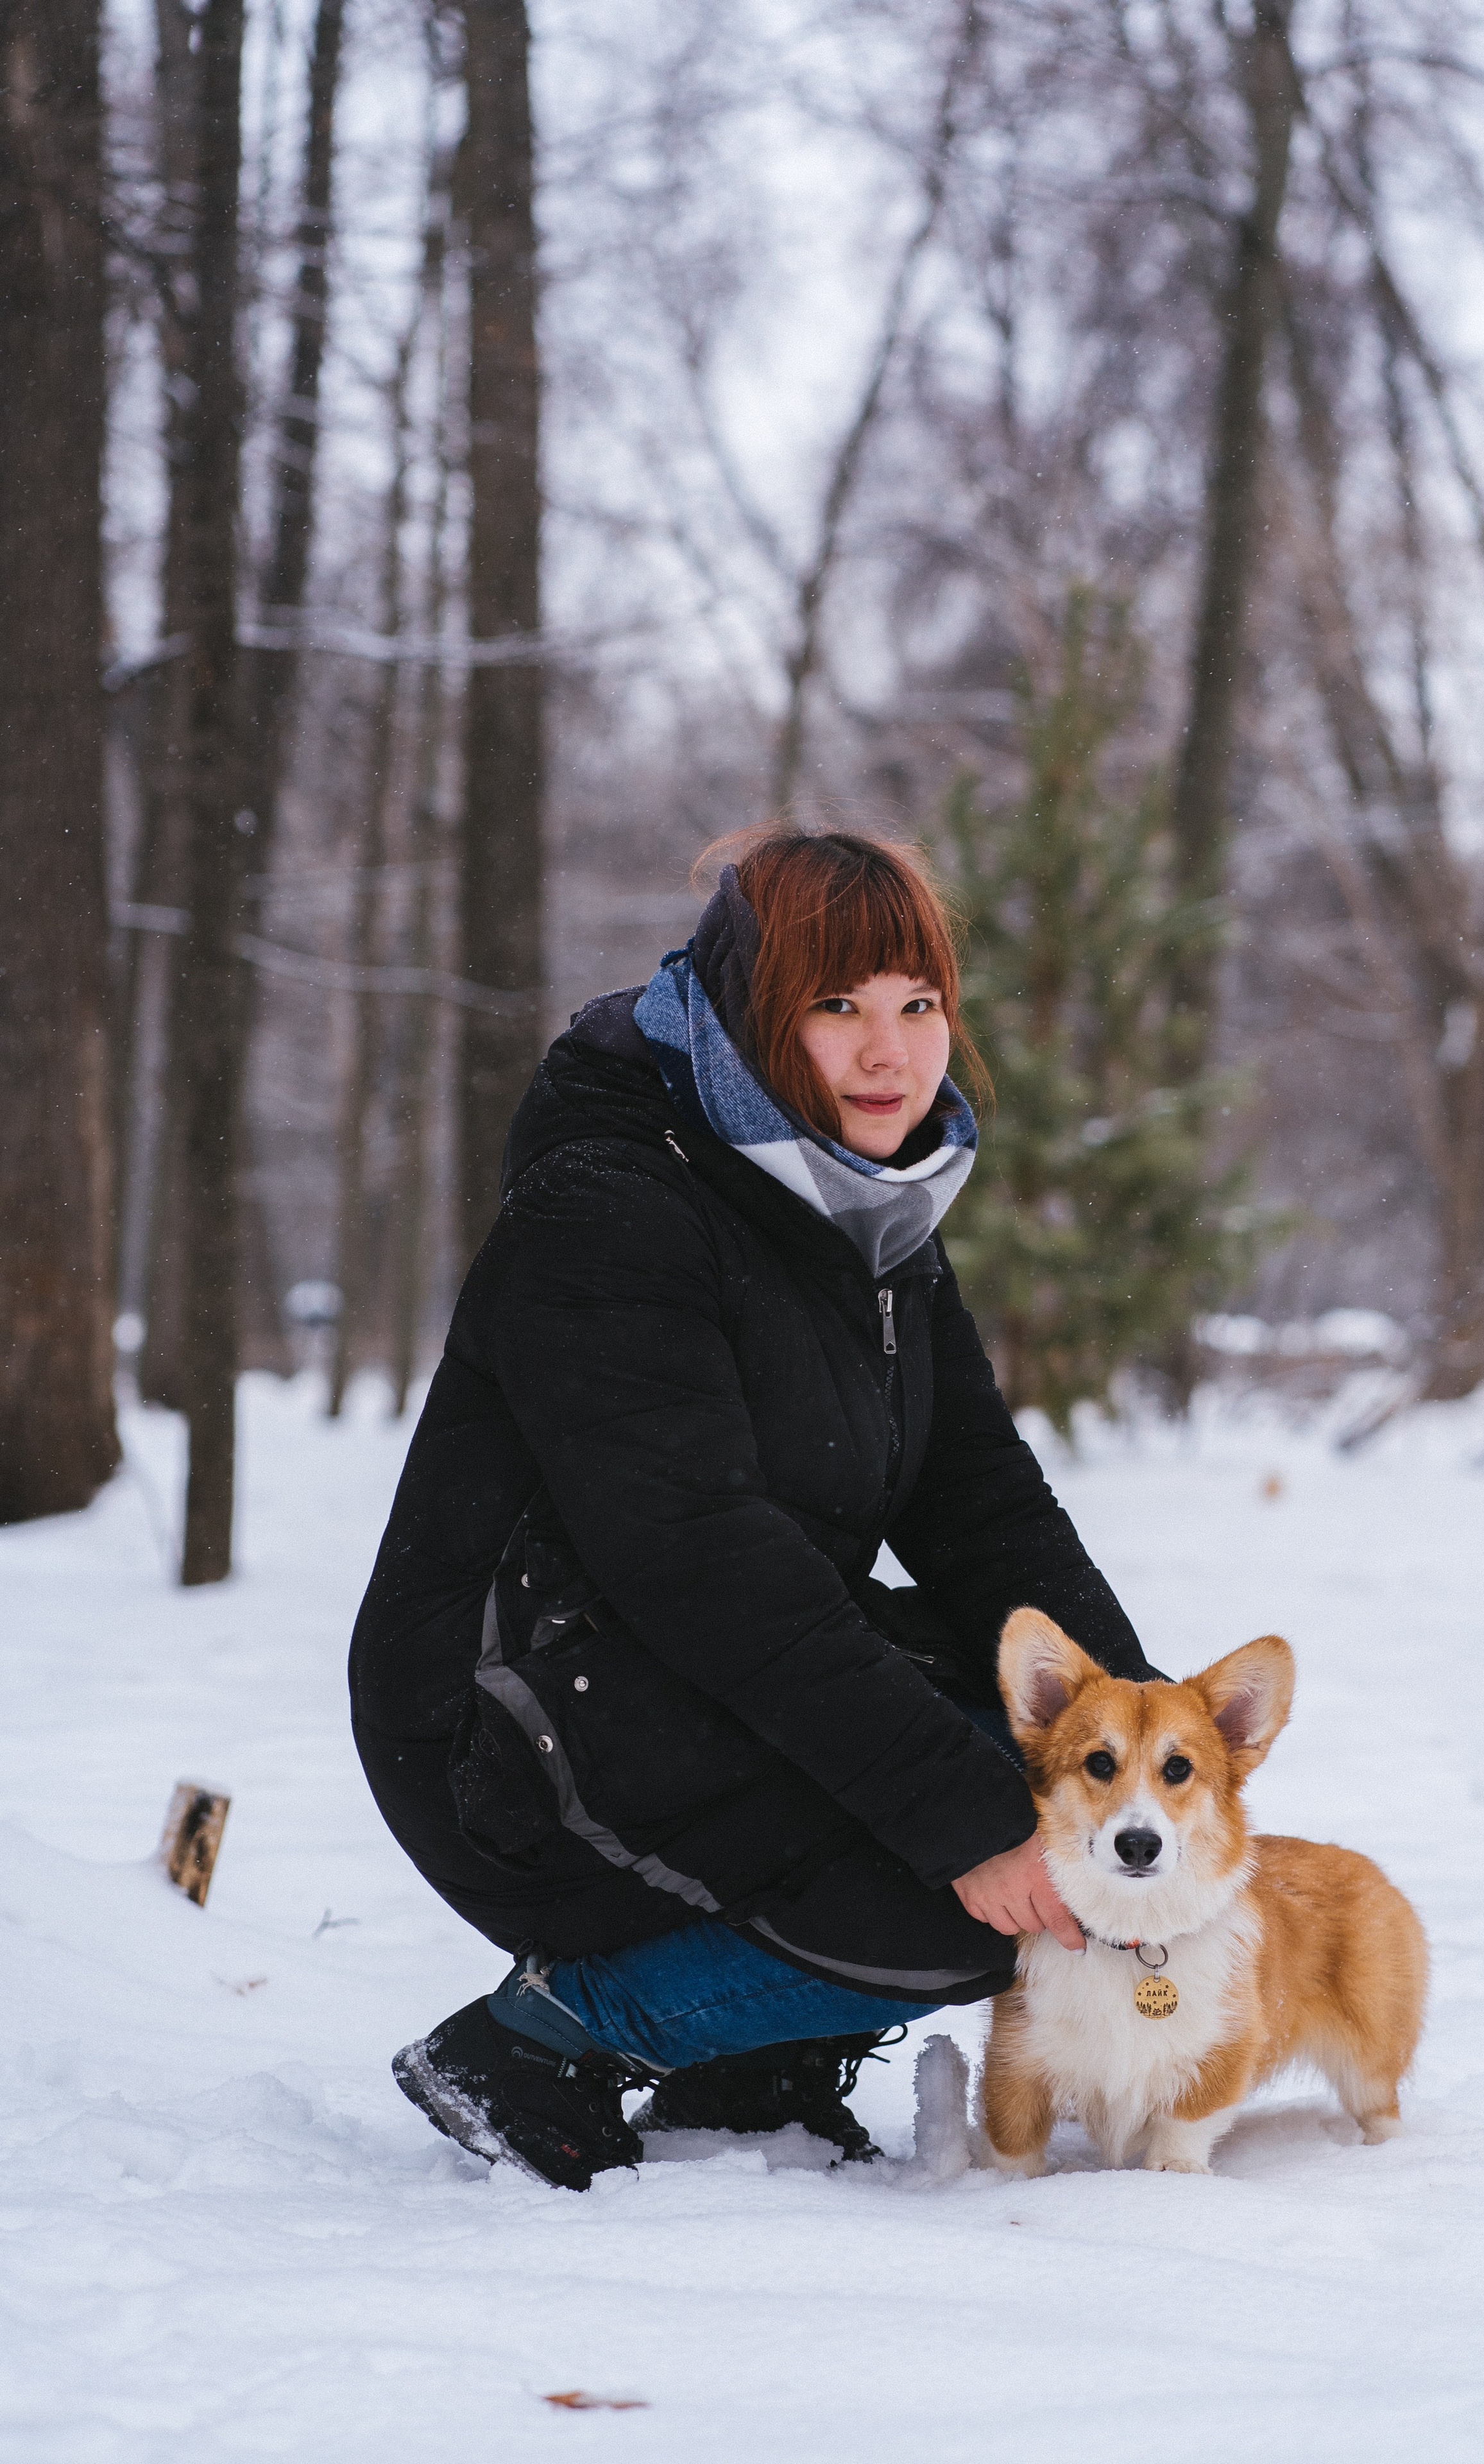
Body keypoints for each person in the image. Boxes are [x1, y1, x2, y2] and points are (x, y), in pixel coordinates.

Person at [350, 829, 1158, 2190]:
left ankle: (752, 2059)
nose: (889, 1053)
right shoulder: (613, 1203)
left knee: (1066, 1800)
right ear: (747, 1018)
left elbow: (977, 1505)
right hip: (509, 1723)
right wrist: (968, 1823)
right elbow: (698, 1563)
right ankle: (548, 2040)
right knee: (979, 1886)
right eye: (833, 1007)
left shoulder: (869, 1211)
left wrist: (1139, 1737)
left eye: (917, 1006)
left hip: (663, 1676)